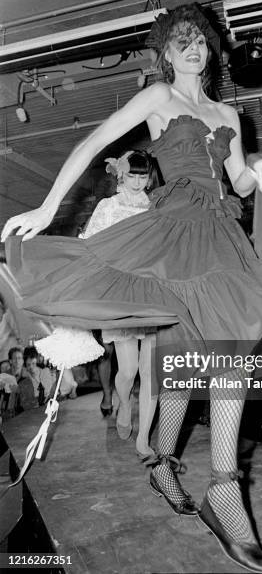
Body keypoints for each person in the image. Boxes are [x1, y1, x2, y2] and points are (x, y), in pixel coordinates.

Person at [1, 3, 262, 572]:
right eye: (181, 41)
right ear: (165, 52)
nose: (193, 48)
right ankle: (201, 480)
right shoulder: (157, 99)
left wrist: (259, 168)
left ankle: (176, 470)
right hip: (172, 235)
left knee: (199, 360)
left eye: (200, 40)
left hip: (222, 237)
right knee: (198, 363)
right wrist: (50, 206)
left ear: (212, 50)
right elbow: (92, 142)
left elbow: (238, 179)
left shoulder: (229, 112)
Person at [79, 150, 158, 457]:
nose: (138, 181)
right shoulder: (108, 206)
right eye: (132, 174)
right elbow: (90, 243)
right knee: (128, 370)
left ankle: (143, 439)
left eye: (142, 175)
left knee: (151, 371)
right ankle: (124, 402)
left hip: (151, 292)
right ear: (121, 174)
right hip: (121, 294)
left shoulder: (156, 207)